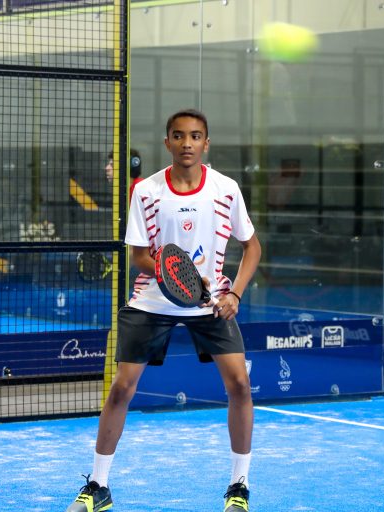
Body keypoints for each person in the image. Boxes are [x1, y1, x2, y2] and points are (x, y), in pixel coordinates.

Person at [66, 109, 261, 512]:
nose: (187, 143)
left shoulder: (226, 189)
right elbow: (138, 255)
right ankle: (98, 486)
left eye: (195, 136)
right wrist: (177, 275)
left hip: (211, 304)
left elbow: (252, 246)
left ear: (206, 143)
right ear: (167, 142)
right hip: (152, 301)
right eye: (179, 135)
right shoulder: (147, 192)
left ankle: (239, 487)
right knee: (122, 388)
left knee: (240, 386)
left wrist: (235, 295)